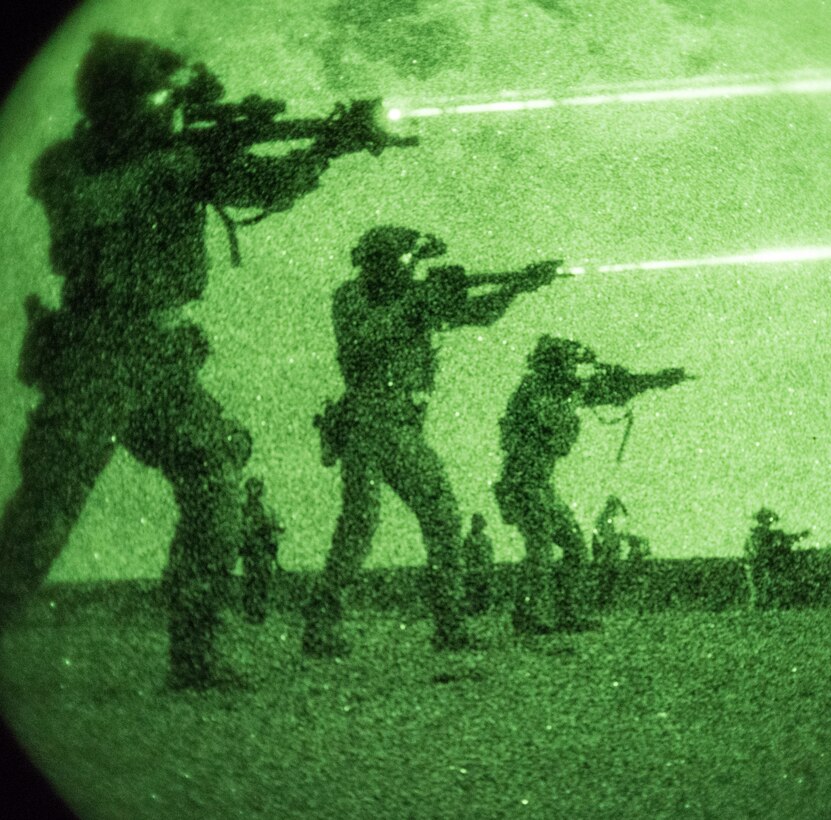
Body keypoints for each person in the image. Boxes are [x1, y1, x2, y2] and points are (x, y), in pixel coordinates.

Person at [0, 33, 397, 689]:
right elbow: (85, 206)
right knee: (49, 506)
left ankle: (194, 655)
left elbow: (264, 183)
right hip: (96, 348)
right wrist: (167, 167)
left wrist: (328, 147)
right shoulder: (67, 161)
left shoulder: (183, 156)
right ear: (113, 100)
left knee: (215, 474)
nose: (167, 111)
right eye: (158, 97)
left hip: (163, 354)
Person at [305, 226, 559, 656]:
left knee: (384, 523)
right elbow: (362, 340)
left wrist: (517, 286)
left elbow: (480, 313)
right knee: (410, 519)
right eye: (406, 261)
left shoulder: (410, 300)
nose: (411, 269)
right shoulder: (351, 298)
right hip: (373, 418)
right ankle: (441, 625)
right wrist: (417, 302)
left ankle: (341, 623)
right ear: (380, 263)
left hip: (392, 424)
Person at [495, 336, 691, 635]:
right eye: (566, 365)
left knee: (575, 547)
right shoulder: (531, 391)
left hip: (541, 485)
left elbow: (613, 391)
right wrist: (579, 393)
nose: (571, 371)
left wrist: (656, 380)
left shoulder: (562, 392)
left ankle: (566, 613)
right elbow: (547, 419)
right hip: (521, 483)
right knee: (540, 550)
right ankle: (527, 617)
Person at [743, 507, 809, 610]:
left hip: (756, 566)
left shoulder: (754, 535)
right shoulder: (759, 535)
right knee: (762, 590)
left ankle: (759, 611)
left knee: (760, 591)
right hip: (761, 566)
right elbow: (763, 550)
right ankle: (760, 611)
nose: (769, 523)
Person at [240, 478, 284, 625]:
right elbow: (242, 528)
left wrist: (273, 529)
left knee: (263, 581)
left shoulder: (267, 508)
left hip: (264, 550)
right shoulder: (244, 508)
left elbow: (279, 525)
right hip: (251, 550)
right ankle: (250, 612)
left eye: (256, 487)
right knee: (251, 582)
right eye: (251, 488)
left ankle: (260, 613)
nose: (253, 491)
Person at [462, 513, 495, 616]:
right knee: (472, 592)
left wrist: (488, 568)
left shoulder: (486, 540)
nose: (479, 526)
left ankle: (484, 610)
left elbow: (490, 556)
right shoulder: (468, 539)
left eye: (481, 524)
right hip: (473, 571)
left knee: (485, 592)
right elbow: (465, 555)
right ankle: (473, 611)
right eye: (477, 523)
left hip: (484, 571)